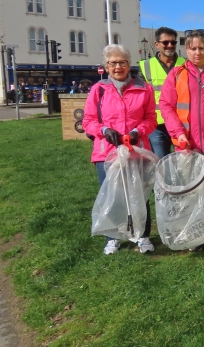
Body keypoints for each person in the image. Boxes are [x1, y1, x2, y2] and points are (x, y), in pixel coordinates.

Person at [159, 30, 204, 252]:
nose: (197, 52)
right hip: (187, 146)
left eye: (201, 47)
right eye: (192, 48)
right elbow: (166, 105)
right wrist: (178, 133)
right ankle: (196, 232)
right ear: (185, 50)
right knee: (192, 192)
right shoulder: (177, 74)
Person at [82, 44, 157, 255]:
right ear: (106, 66)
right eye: (113, 63)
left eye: (122, 62)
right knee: (113, 195)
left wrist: (137, 131)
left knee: (140, 195)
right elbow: (88, 121)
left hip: (136, 151)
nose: (118, 67)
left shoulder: (144, 88)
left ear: (128, 64)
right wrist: (104, 130)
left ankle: (142, 236)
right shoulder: (98, 90)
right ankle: (113, 237)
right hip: (106, 153)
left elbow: (151, 119)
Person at [139, 27, 186, 160]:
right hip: (157, 125)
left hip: (181, 122)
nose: (170, 45)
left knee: (184, 163)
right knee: (161, 163)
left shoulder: (186, 64)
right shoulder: (145, 66)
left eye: (173, 42)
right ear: (157, 44)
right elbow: (141, 97)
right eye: (165, 42)